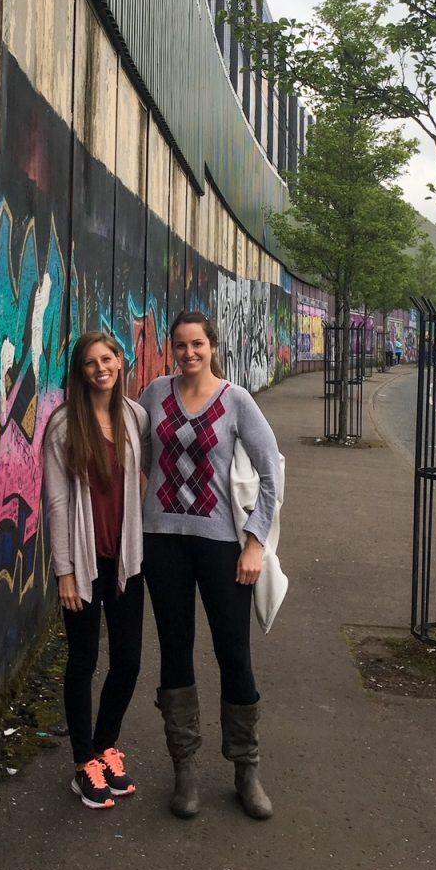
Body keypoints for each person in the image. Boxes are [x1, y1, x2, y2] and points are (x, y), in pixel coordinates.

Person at [139, 311, 281, 821]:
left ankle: (246, 769)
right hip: (163, 544)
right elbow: (134, 455)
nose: (188, 353)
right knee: (175, 653)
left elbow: (272, 470)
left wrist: (255, 542)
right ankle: (186, 770)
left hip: (223, 546)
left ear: (213, 346)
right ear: (171, 349)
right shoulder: (154, 394)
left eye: (197, 344)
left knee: (233, 653)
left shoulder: (236, 400)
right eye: (180, 345)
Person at [42, 331, 149, 809]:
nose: (100, 368)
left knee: (128, 660)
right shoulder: (64, 425)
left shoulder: (135, 417)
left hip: (126, 559)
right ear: (80, 371)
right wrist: (64, 571)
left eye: (107, 359)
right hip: (85, 564)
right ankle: (83, 761)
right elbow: (58, 503)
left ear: (120, 362)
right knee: (83, 661)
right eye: (90, 363)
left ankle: (106, 746)